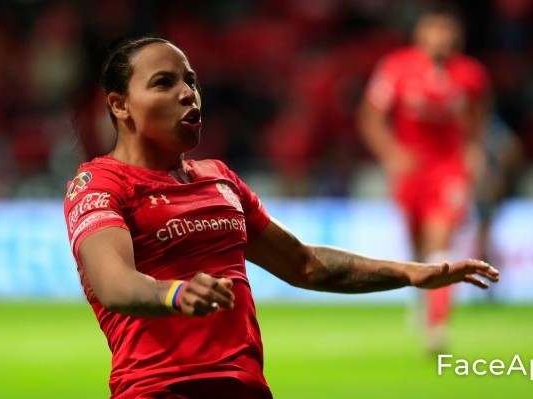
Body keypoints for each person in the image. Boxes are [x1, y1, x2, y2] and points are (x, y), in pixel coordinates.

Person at [63, 34, 499, 399]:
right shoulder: (99, 185)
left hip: (248, 389)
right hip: (159, 390)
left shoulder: (220, 180)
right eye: (164, 83)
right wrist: (175, 294)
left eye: (190, 82)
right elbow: (114, 284)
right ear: (120, 106)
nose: (187, 93)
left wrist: (410, 273)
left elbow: (305, 263)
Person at [357, 6, 491, 354]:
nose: (441, 39)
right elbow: (371, 117)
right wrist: (392, 154)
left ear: (456, 38)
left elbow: (479, 116)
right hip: (410, 169)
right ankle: (422, 301)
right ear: (421, 35)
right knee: (417, 245)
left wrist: (474, 151)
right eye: (434, 31)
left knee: (440, 239)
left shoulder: (470, 74)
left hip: (449, 169)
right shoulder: (396, 68)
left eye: (447, 32)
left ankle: (437, 328)